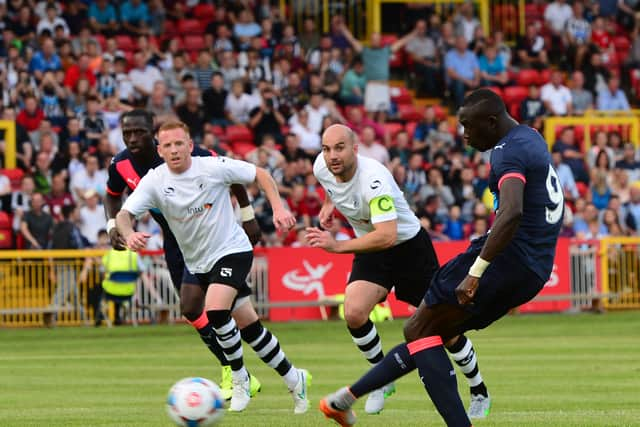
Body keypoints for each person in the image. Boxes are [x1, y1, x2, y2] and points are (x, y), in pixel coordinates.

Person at [319, 89, 563, 426]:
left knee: (419, 328)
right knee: (430, 331)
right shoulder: (530, 137)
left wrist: (476, 272)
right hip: (534, 268)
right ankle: (344, 399)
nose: (464, 135)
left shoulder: (507, 154)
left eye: (468, 126)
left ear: (491, 123)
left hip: (506, 257)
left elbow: (511, 213)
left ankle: (350, 398)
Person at [116, 120, 310, 413]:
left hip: (233, 250)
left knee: (216, 311)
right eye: (167, 145)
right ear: (160, 150)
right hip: (198, 262)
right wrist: (129, 233)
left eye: (179, 143)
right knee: (250, 327)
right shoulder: (154, 181)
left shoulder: (211, 166)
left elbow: (260, 173)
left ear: (190, 146)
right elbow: (124, 213)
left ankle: (241, 378)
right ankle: (294, 378)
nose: (174, 150)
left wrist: (278, 207)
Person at [308, 124, 490, 416]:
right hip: (372, 249)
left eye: (339, 148)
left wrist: (338, 246)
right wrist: (329, 204)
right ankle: (380, 381)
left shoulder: (374, 179)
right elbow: (332, 185)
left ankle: (479, 388)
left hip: (408, 250)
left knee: (445, 329)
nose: (332, 156)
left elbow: (388, 235)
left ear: (355, 149)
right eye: (326, 148)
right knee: (354, 312)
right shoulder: (322, 166)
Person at [104, 109, 265, 397]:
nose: (132, 138)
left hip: (211, 238)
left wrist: (247, 212)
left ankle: (238, 372)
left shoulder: (181, 152)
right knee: (205, 311)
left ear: (152, 132)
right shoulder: (120, 164)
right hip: (175, 241)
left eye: (138, 132)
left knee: (199, 307)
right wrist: (112, 225)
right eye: (126, 133)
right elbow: (111, 195)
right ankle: (239, 370)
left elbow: (233, 174)